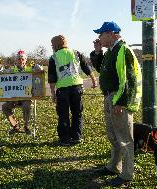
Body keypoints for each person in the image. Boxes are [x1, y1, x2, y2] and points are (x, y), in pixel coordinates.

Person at [90, 21, 142, 187]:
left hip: (119, 99)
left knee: (125, 138)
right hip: (109, 97)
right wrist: (98, 52)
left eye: (101, 34)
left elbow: (130, 79)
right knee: (113, 136)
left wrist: (121, 102)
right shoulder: (111, 51)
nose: (99, 37)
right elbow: (102, 69)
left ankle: (127, 175)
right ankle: (113, 166)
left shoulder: (123, 50)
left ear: (111, 33)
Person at [48, 34, 97, 146]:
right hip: (77, 88)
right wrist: (94, 80)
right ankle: (76, 137)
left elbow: (52, 77)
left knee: (63, 114)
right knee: (77, 113)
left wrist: (52, 93)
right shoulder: (76, 53)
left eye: (52, 45)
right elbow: (86, 67)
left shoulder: (53, 57)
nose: (52, 47)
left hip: (62, 90)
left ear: (56, 44)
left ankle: (65, 139)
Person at [2, 50, 43, 135]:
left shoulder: (29, 69)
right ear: (16, 61)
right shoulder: (12, 70)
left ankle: (26, 126)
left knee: (26, 107)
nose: (21, 60)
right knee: (5, 107)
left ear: (25, 60)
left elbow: (41, 70)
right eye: (19, 59)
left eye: (23, 59)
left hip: (26, 98)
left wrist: (34, 65)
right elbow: (0, 74)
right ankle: (15, 126)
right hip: (14, 98)